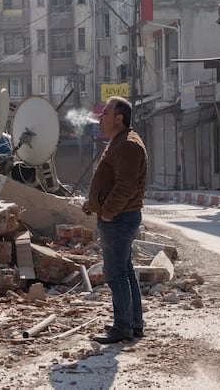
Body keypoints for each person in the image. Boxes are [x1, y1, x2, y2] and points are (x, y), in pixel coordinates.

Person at [82, 96, 148, 344]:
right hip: (118, 217)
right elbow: (111, 183)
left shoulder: (128, 145)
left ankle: (122, 327)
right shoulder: (118, 143)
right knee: (125, 271)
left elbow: (125, 187)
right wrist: (93, 203)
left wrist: (107, 212)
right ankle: (133, 323)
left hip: (119, 219)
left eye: (105, 113)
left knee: (116, 273)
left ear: (119, 118)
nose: (100, 117)